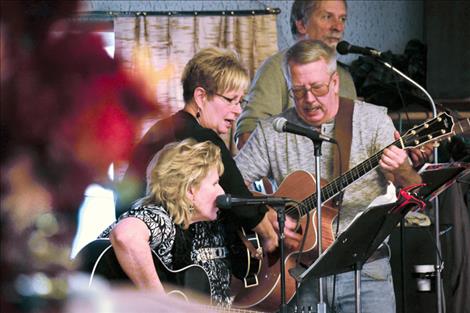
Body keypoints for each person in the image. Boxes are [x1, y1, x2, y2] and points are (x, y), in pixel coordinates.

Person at [234, 39, 422, 313]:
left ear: (334, 82)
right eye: (298, 91)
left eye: (318, 88)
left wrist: (402, 169)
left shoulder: (372, 121)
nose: (309, 99)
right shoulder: (272, 132)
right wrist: (263, 217)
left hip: (367, 271)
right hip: (297, 272)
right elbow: (229, 187)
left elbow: (414, 190)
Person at [117, 47, 300, 271]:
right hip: (158, 254)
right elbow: (239, 200)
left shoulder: (162, 128)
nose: (237, 111)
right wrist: (271, 239)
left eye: (241, 102)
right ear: (201, 96)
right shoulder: (202, 137)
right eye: (231, 100)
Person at [100, 139, 231, 305]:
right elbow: (126, 235)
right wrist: (162, 304)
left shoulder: (198, 227)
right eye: (215, 183)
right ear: (190, 190)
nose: (222, 192)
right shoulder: (160, 216)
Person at [235, 0, 356, 149]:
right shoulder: (275, 68)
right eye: (327, 17)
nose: (338, 27)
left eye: (342, 19)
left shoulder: (345, 77)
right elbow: (246, 139)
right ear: (301, 25)